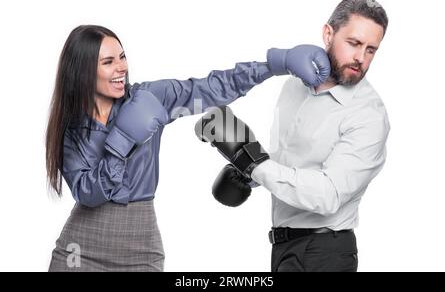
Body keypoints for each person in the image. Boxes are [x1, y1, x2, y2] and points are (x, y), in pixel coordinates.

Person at [45, 25, 330, 272]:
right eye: (108, 61)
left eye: (122, 57)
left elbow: (209, 89)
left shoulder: (150, 98)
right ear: (83, 71)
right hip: (81, 245)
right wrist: (120, 144)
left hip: (139, 243)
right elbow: (87, 193)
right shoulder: (71, 126)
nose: (122, 68)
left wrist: (274, 64)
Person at [196, 0, 390, 272]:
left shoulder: (368, 115)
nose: (361, 58)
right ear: (328, 34)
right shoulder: (294, 87)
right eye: (354, 43)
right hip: (283, 247)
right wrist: (247, 174)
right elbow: (290, 163)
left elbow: (328, 195)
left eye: (371, 50)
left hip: (326, 252)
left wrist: (254, 164)